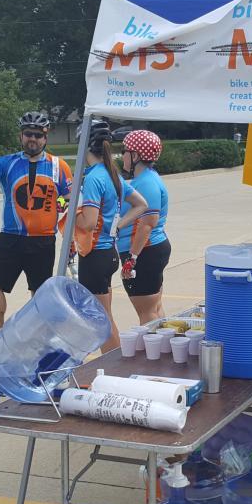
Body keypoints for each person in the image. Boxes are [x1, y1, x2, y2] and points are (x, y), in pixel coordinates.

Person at [0, 112, 73, 329]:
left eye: (38, 135)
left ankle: (36, 336)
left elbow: (71, 197)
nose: (32, 139)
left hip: (43, 240)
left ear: (45, 137)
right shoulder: (6, 163)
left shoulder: (58, 165)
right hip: (11, 237)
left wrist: (62, 203)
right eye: (28, 134)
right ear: (21, 136)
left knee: (40, 293)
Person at [74, 119, 148, 352]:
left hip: (95, 255)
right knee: (104, 316)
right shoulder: (110, 173)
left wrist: (67, 214)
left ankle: (114, 366)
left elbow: (88, 223)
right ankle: (115, 364)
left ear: (84, 146)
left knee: (100, 322)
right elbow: (141, 204)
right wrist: (116, 226)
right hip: (108, 253)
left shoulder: (94, 177)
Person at [117, 130, 168, 324]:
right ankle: (162, 342)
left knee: (147, 313)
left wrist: (132, 258)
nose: (122, 155)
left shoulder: (146, 183)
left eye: (124, 151)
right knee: (154, 309)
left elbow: (147, 223)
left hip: (144, 251)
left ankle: (152, 344)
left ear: (136, 155)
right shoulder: (147, 178)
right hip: (149, 250)